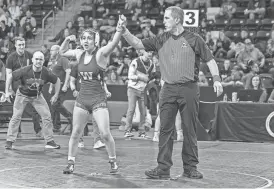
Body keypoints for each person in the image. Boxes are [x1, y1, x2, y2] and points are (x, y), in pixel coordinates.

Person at [119, 6, 223, 179]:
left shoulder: (194, 39)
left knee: (189, 128)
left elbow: (210, 59)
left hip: (189, 88)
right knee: (165, 129)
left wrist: (217, 79)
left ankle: (190, 168)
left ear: (177, 20)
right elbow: (137, 43)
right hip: (167, 89)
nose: (163, 21)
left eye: (167, 18)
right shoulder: (161, 39)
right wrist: (124, 31)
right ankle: (163, 168)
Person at [60, 18, 124, 174]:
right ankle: (70, 163)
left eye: (89, 38)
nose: (85, 40)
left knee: (105, 133)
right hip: (82, 99)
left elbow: (113, 45)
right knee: (76, 132)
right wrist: (68, 39)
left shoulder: (100, 53)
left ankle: (113, 161)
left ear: (95, 41)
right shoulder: (79, 53)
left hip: (98, 99)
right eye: (83, 38)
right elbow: (62, 52)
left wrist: (119, 30)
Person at [4, 51, 61, 150]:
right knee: (16, 116)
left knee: (47, 116)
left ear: (43, 61)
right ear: (32, 60)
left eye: (41, 59)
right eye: (37, 59)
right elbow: (10, 77)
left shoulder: (46, 72)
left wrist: (56, 95)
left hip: (37, 96)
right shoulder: (25, 70)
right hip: (22, 95)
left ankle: (50, 141)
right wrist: (7, 91)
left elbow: (57, 81)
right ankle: (9, 141)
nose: (38, 61)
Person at [5, 37, 42, 138]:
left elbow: (36, 69)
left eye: (23, 44)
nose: (22, 46)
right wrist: (9, 89)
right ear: (16, 45)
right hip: (16, 87)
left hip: (30, 86)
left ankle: (38, 131)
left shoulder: (29, 55)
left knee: (35, 109)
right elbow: (8, 75)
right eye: (19, 45)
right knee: (17, 111)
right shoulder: (11, 58)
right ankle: (18, 132)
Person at [124, 50, 154, 138]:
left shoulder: (152, 64)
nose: (150, 54)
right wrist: (140, 77)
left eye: (151, 52)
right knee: (131, 109)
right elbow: (130, 76)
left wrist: (149, 81)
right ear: (143, 52)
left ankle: (142, 132)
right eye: (148, 52)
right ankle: (127, 131)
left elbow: (150, 77)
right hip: (132, 89)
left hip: (142, 91)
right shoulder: (135, 62)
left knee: (143, 112)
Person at [48, 45, 72, 133]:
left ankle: (70, 117)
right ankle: (56, 126)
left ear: (57, 51)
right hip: (54, 85)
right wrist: (51, 86)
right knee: (53, 106)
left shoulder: (63, 59)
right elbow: (52, 75)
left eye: (52, 50)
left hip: (61, 85)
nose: (50, 52)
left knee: (55, 104)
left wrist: (66, 84)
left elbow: (68, 71)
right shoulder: (53, 61)